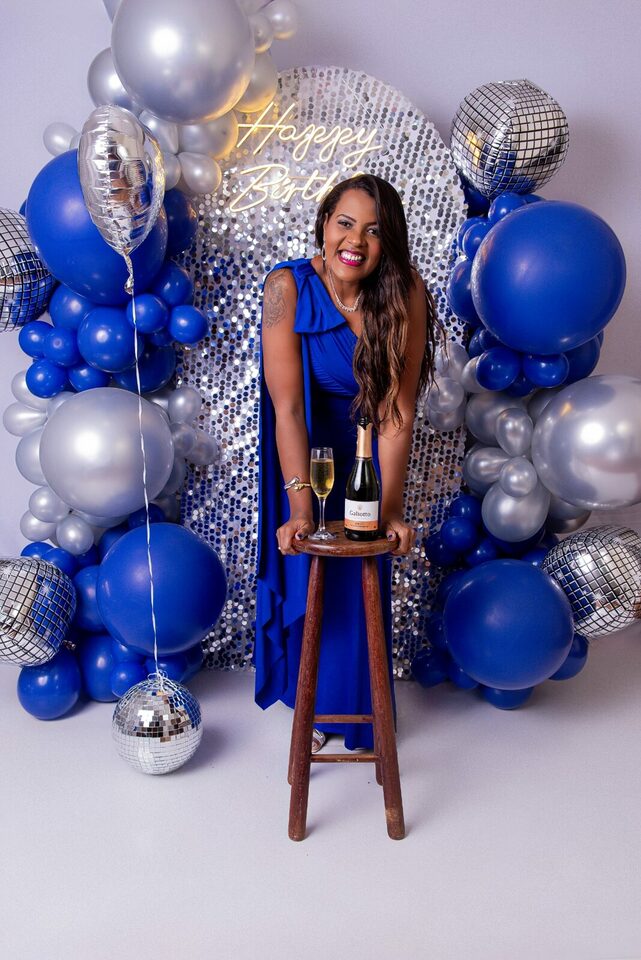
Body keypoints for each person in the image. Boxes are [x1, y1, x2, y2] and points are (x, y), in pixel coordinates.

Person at [254, 173, 439, 751]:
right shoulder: (286, 287)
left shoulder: (406, 291)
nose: (356, 240)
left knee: (362, 574)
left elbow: (396, 412)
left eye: (374, 231)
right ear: (324, 224)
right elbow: (287, 409)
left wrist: (389, 511)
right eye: (345, 223)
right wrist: (299, 507)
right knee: (309, 570)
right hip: (307, 450)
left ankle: (358, 711)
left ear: (390, 242)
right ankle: (308, 705)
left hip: (369, 457)